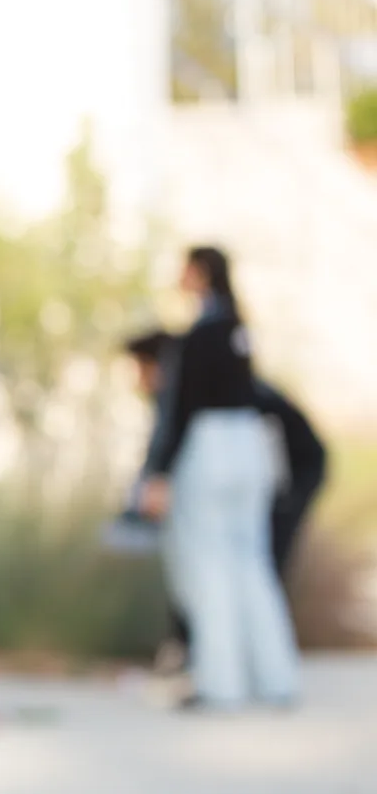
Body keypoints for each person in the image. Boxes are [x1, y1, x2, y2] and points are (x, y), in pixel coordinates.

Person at [138, 246, 301, 710]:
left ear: (200, 273)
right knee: (252, 562)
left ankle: (221, 683)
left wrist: (159, 473)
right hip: (249, 450)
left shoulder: (201, 334)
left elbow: (181, 409)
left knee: (208, 565)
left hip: (209, 451)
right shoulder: (240, 331)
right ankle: (276, 678)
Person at [124, 328, 327, 670]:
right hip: (262, 482)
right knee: (244, 567)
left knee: (243, 566)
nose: (137, 380)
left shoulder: (207, 390)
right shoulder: (212, 387)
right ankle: (243, 668)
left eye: (140, 369)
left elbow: (172, 440)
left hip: (289, 477)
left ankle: (234, 668)